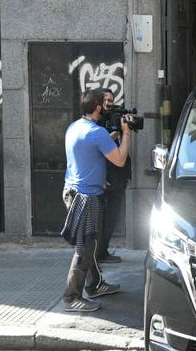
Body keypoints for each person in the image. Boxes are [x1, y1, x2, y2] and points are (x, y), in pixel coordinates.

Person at [60, 89, 133, 312]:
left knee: (90, 244)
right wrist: (126, 133)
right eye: (104, 104)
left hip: (72, 190)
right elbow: (119, 160)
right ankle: (72, 297)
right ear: (99, 108)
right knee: (85, 247)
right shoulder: (96, 133)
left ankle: (95, 284)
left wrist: (110, 138)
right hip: (86, 197)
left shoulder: (75, 127)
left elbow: (88, 152)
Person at [97, 88, 132, 263]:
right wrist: (118, 132)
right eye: (106, 100)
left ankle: (104, 251)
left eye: (111, 100)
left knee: (113, 216)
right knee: (103, 217)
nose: (109, 103)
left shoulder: (118, 115)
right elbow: (99, 150)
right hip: (106, 177)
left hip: (119, 175)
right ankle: (99, 253)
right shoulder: (97, 122)